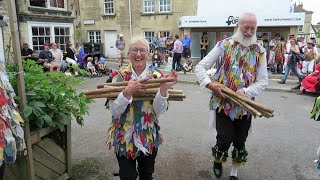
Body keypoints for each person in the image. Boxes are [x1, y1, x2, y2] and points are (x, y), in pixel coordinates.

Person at [195, 12, 268, 180]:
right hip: (223, 102)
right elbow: (200, 67)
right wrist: (210, 84)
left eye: (253, 28)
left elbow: (263, 81)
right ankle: (218, 159)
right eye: (246, 27)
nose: (249, 31)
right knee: (224, 138)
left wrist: (246, 92)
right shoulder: (224, 45)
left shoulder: (260, 51)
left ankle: (234, 172)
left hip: (246, 106)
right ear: (238, 26)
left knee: (240, 140)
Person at [106, 37, 177, 180]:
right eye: (134, 50)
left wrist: (162, 89)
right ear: (128, 54)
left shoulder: (157, 77)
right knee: (127, 176)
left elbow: (159, 111)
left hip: (148, 135)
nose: (138, 54)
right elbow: (114, 111)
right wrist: (127, 92)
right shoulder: (118, 77)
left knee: (146, 174)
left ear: (149, 54)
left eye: (142, 50)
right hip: (124, 138)